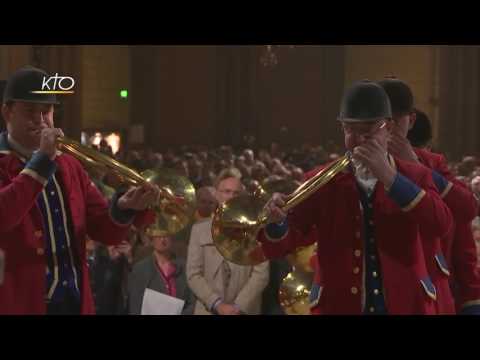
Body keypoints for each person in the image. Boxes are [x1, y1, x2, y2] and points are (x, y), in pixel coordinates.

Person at [258, 80, 453, 315]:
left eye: (368, 130)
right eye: (350, 130)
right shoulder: (320, 181)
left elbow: (441, 224)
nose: (358, 139)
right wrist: (277, 222)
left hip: (405, 304)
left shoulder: (416, 174)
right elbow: (284, 245)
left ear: (388, 128)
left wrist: (391, 178)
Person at [0, 66, 158, 314]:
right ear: (7, 112)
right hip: (19, 302)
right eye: (30, 111)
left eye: (46, 111)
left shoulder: (68, 164)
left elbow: (104, 231)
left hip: (74, 301)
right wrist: (41, 162)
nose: (41, 120)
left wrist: (123, 207)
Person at [379, 78, 480, 314]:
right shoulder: (354, 167)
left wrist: (414, 165)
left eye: (395, 121)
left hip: (428, 288)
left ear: (411, 120)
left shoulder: (432, 162)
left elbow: (468, 209)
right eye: (381, 122)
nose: (388, 129)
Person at [186, 168, 269, 315]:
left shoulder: (256, 229)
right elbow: (193, 274)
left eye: (236, 193)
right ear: (216, 194)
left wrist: (238, 306)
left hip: (244, 310)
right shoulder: (199, 230)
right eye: (226, 191)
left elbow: (261, 274)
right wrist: (216, 304)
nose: (231, 197)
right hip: (208, 310)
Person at [127, 228, 195, 315]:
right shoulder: (140, 269)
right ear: (151, 240)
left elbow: (192, 302)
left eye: (165, 235)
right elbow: (135, 305)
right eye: (158, 236)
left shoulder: (185, 266)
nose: (162, 240)